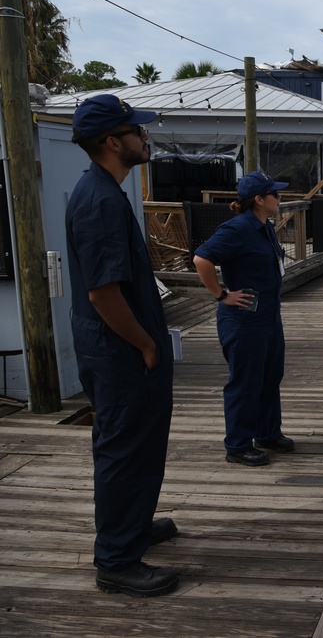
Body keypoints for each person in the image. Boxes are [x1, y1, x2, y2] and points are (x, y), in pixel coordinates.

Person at [65, 94, 179, 597]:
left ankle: (133, 526)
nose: (144, 137)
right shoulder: (100, 202)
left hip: (125, 349)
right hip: (120, 352)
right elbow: (103, 292)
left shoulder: (106, 192)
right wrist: (146, 345)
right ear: (113, 142)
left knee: (140, 442)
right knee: (123, 448)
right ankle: (116, 558)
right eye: (136, 131)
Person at [193, 171, 295, 467]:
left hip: (268, 316)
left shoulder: (265, 226)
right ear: (259, 200)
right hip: (244, 319)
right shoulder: (237, 228)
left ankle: (267, 433)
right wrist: (220, 294)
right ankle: (237, 445)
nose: (280, 198)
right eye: (275, 194)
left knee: (270, 377)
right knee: (246, 382)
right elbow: (202, 259)